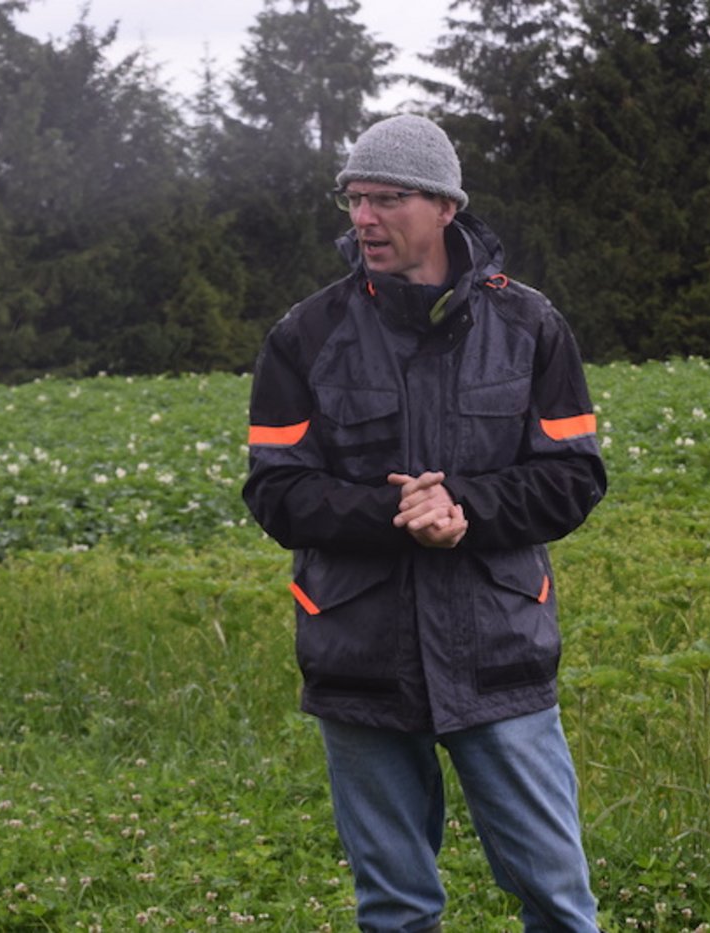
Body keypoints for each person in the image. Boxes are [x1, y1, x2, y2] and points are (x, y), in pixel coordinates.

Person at [242, 114, 607, 933]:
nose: (364, 218)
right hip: (360, 658)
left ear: (445, 205)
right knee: (396, 910)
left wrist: (464, 511)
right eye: (354, 200)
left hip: (499, 653)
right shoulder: (305, 336)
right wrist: (393, 514)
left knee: (558, 899)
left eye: (387, 199)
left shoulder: (530, 326)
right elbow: (276, 492)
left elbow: (575, 477)